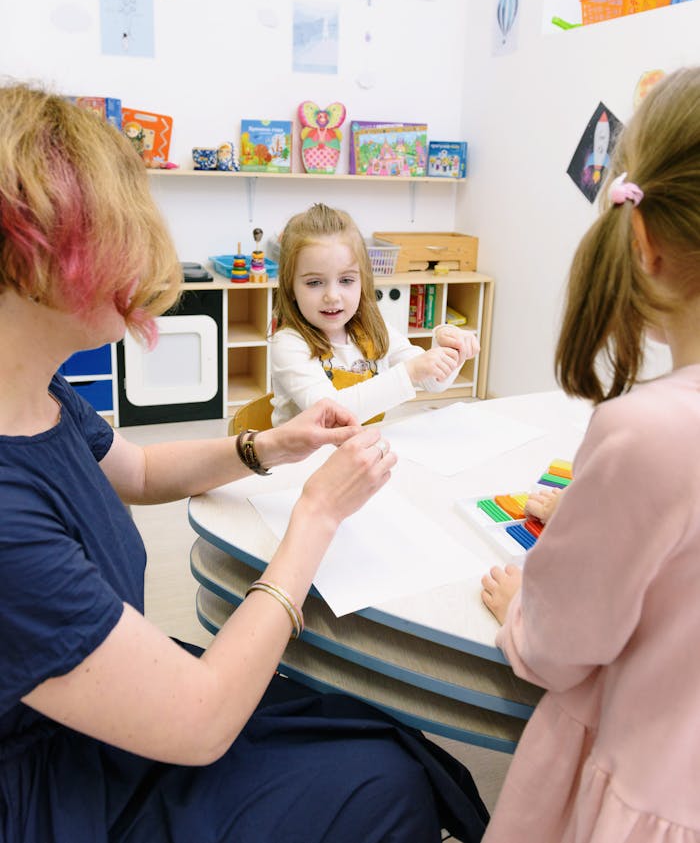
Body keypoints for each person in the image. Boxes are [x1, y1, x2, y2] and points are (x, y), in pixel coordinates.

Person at [0, 85, 490, 842]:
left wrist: (268, 445)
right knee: (388, 780)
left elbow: (135, 471)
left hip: (99, 708)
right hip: (57, 784)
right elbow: (198, 723)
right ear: (36, 255)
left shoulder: (40, 389)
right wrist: (317, 515)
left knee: (371, 727)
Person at [479, 66, 700, 842]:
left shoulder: (649, 431)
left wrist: (521, 616)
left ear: (640, 241)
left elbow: (564, 646)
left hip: (651, 793)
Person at [270, 203, 480, 426]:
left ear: (363, 280)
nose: (332, 296)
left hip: (361, 451)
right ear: (290, 287)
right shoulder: (288, 343)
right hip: (307, 459)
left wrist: (449, 347)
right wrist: (409, 372)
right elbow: (331, 417)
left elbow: (433, 382)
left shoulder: (373, 329)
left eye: (346, 280)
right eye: (314, 282)